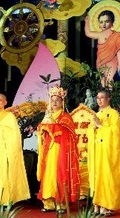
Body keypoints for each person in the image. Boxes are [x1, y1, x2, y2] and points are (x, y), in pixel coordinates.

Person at [36, 85, 80, 214]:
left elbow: (67, 133)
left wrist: (51, 128)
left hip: (60, 150)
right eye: (52, 100)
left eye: (57, 100)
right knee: (48, 175)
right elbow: (42, 130)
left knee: (60, 175)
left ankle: (60, 203)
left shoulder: (65, 117)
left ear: (62, 102)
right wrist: (43, 130)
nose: (54, 103)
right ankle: (48, 203)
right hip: (49, 151)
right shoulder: (47, 116)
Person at [86, 89, 120, 216]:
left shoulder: (113, 114)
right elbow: (90, 134)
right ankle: (97, 204)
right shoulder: (97, 114)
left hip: (108, 153)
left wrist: (100, 126)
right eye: (98, 98)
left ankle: (107, 205)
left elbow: (115, 133)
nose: (99, 100)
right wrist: (94, 127)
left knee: (107, 177)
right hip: (97, 152)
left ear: (108, 99)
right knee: (97, 177)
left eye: (102, 97)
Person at [84, 9, 120, 87]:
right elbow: (88, 33)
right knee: (102, 80)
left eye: (107, 21)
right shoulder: (99, 34)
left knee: (110, 79)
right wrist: (87, 22)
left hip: (112, 60)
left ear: (112, 22)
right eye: (101, 22)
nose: (104, 24)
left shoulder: (116, 35)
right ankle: (104, 96)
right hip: (101, 61)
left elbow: (119, 49)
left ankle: (111, 97)